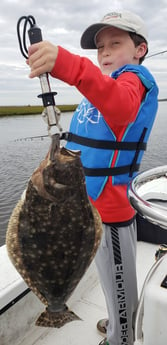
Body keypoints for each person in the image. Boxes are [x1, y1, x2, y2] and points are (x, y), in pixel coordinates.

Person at [27, 10, 158, 345]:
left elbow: (122, 107)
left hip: (110, 214)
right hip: (87, 207)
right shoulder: (105, 86)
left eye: (115, 43)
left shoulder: (133, 82)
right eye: (99, 47)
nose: (105, 52)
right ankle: (118, 319)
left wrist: (66, 64)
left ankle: (121, 337)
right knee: (110, 281)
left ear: (139, 50)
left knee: (117, 279)